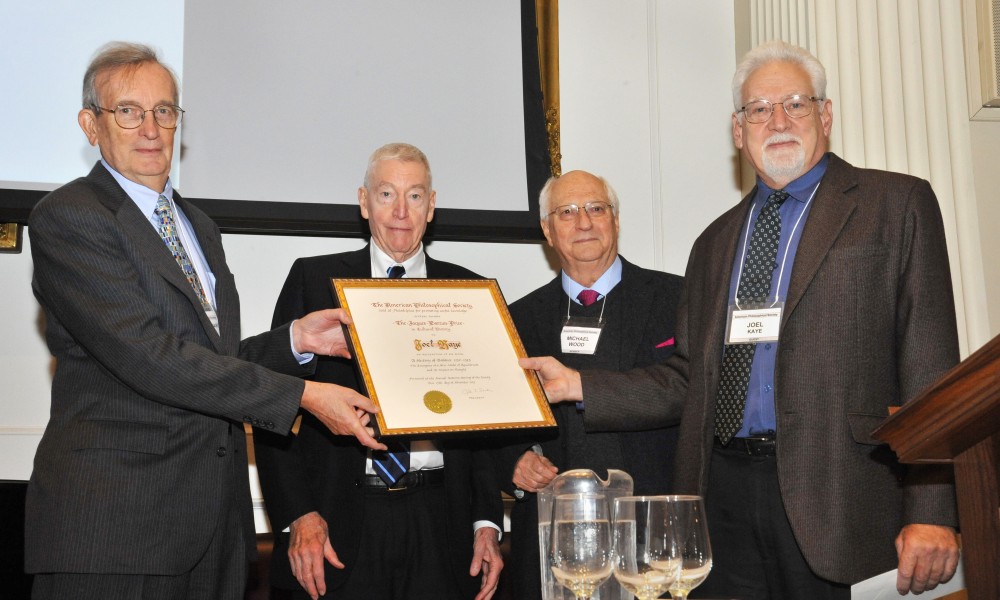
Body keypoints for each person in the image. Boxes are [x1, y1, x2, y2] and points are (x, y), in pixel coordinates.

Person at [520, 41, 961, 599]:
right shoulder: (715, 243)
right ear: (738, 129)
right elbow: (688, 380)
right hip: (721, 495)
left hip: (839, 494)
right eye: (758, 109)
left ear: (825, 115)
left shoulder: (894, 204)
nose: (777, 120)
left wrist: (934, 509)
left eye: (796, 104)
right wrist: (579, 384)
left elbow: (931, 368)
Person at [25, 42, 383, 600]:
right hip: (116, 531)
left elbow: (209, 357)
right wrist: (302, 395)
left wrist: (294, 340)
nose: (150, 128)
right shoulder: (70, 217)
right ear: (91, 126)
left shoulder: (199, 227)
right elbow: (150, 357)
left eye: (164, 111)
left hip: (213, 529)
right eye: (129, 111)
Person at [253, 143, 504, 600]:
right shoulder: (313, 281)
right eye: (387, 194)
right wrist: (299, 514)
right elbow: (274, 402)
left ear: (432, 206)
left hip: (441, 527)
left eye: (415, 195)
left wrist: (486, 522)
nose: (401, 211)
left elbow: (485, 425)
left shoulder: (470, 290)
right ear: (364, 202)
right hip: (337, 522)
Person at [494, 170, 682, 600]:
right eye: (567, 212)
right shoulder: (514, 319)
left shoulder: (677, 298)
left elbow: (688, 391)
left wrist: (582, 385)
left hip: (653, 535)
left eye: (596, 208)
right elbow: (494, 422)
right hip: (551, 541)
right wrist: (512, 461)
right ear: (547, 229)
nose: (584, 223)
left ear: (615, 220)